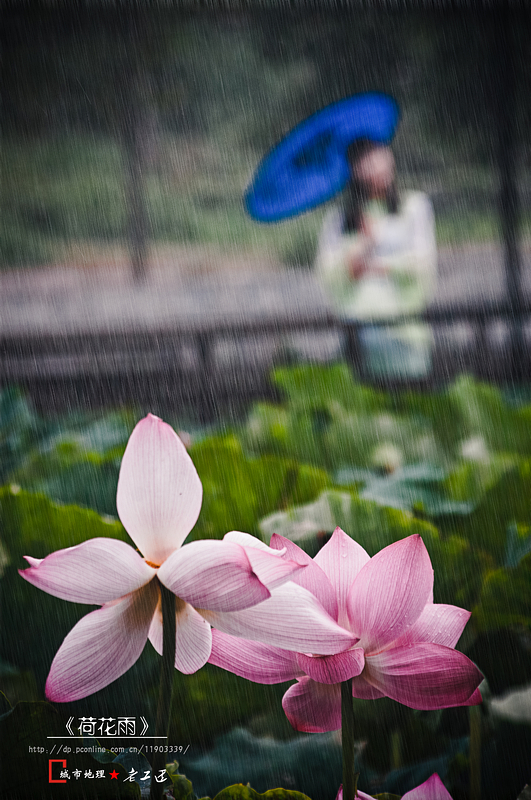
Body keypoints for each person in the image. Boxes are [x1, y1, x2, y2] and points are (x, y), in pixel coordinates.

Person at [315, 137, 436, 381]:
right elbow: (329, 274)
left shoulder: (413, 206)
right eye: (366, 159)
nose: (377, 164)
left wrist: (378, 265)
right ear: (354, 170)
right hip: (357, 334)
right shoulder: (339, 220)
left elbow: (423, 265)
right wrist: (364, 245)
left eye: (380, 154)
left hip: (404, 333)